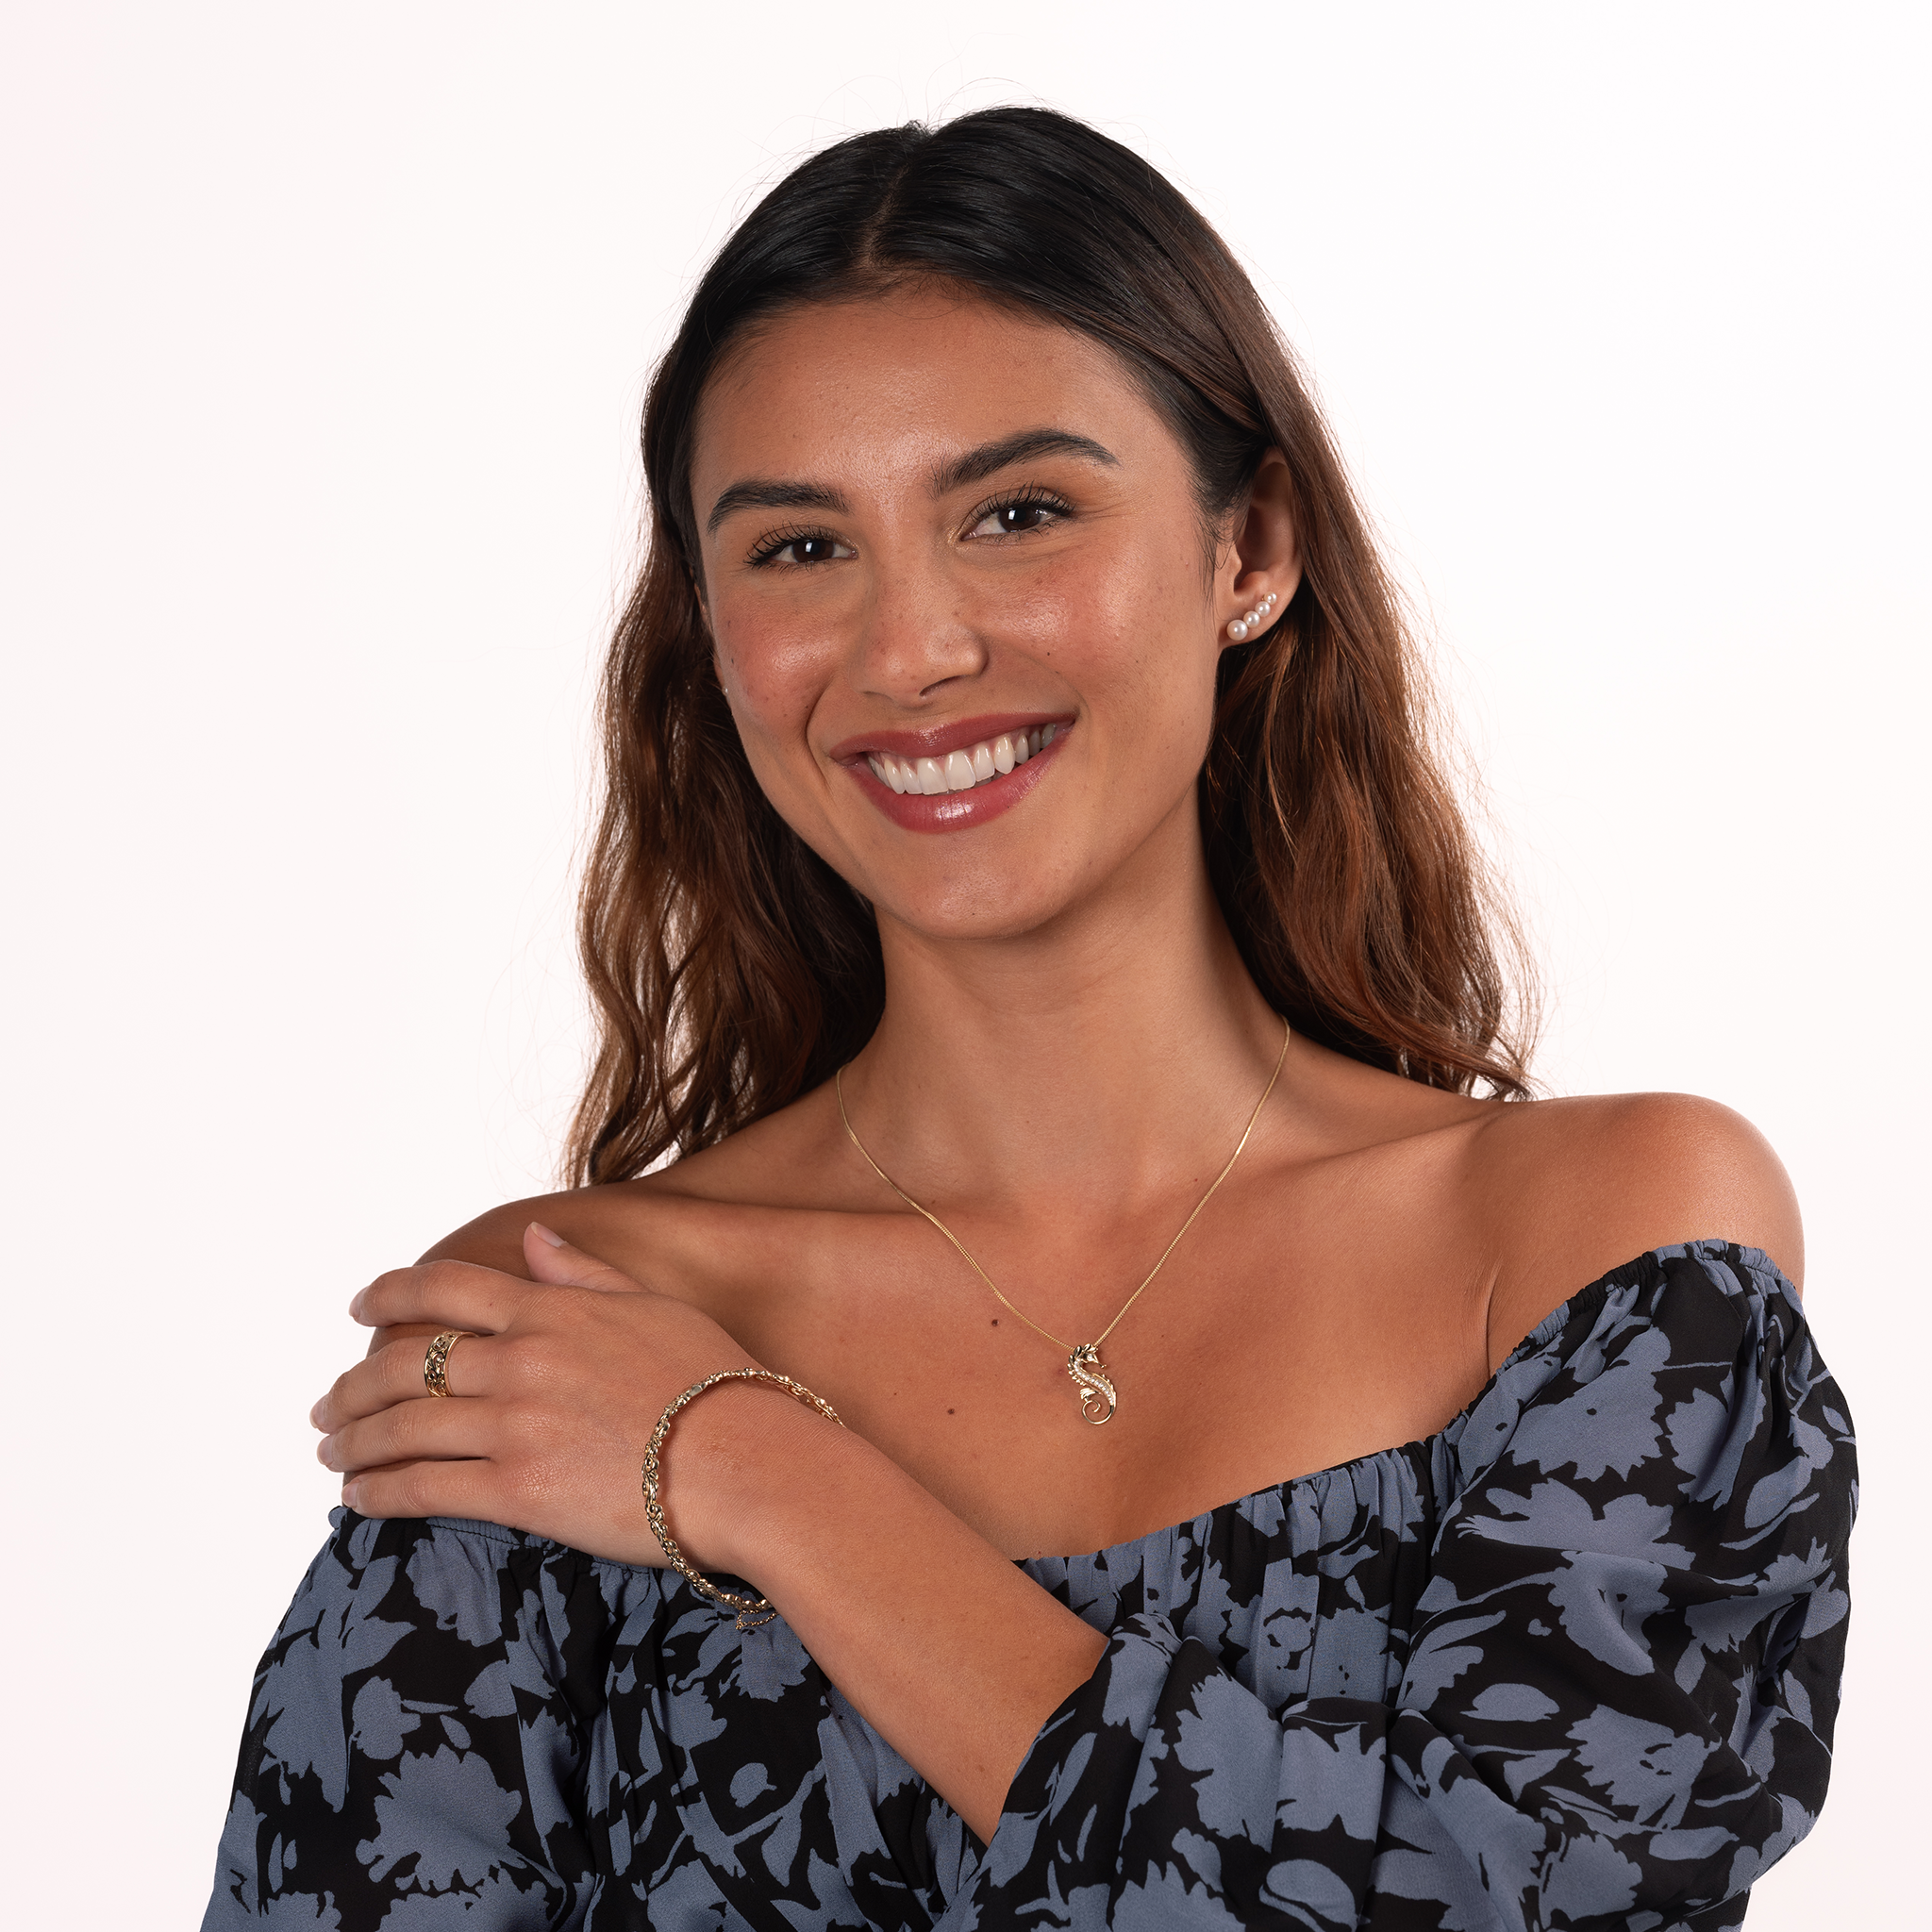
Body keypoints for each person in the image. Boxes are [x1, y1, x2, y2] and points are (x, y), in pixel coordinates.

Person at [202, 108, 1854, 1931]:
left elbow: (1523, 1904)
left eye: (1020, 513)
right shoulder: (557, 1325)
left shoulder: (1590, 1245)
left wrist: (753, 1474)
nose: (909, 651)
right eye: (799, 550)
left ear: (1255, 551)